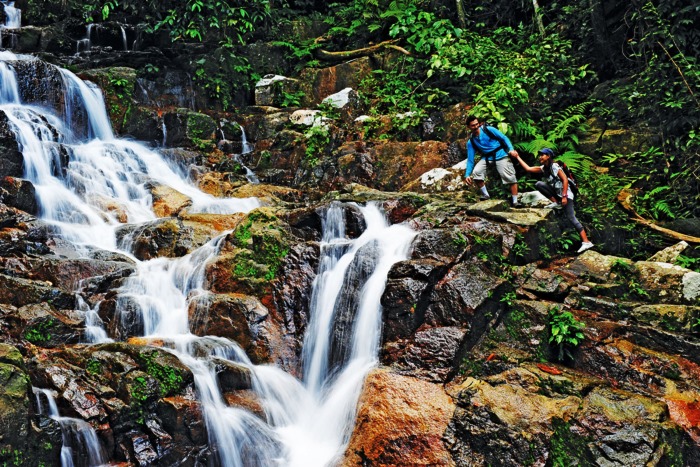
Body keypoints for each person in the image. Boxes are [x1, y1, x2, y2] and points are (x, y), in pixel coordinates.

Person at [511, 148, 594, 253]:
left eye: (543, 155)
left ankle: (586, 242)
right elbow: (528, 169)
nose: (540, 157)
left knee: (571, 217)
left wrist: (564, 196)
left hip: (566, 195)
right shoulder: (544, 168)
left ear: (548, 156)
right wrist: (517, 156)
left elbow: (564, 179)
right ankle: (555, 202)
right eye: (540, 155)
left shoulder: (554, 166)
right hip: (558, 195)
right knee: (539, 184)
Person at [464, 115, 521, 207]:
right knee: (477, 172)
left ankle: (515, 201)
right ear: (468, 127)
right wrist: (467, 174)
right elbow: (470, 159)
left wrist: (511, 149)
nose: (476, 127)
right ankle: (486, 195)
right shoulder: (471, 141)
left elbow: (504, 138)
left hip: (500, 154)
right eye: (473, 125)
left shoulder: (488, 129)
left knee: (510, 177)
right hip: (487, 158)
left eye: (477, 124)